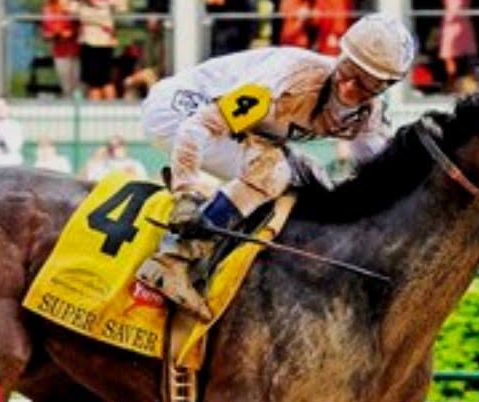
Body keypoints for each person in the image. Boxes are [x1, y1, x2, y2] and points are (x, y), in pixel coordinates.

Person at [136, 12, 415, 319]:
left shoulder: (368, 117)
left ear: (387, 85)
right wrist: (185, 193)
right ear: (340, 55)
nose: (350, 88)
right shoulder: (288, 80)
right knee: (274, 171)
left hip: (225, 126)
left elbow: (386, 178)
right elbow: (198, 127)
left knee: (315, 178)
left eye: (369, 84)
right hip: (177, 111)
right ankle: (173, 259)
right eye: (348, 70)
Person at [76, 0, 128, 100]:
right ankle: (98, 112)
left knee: (103, 81)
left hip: (103, 41)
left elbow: (122, 8)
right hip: (88, 41)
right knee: (94, 82)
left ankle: (108, 111)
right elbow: (69, 9)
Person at [43, 0, 82, 97]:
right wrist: (55, 33)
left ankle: (81, 108)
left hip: (78, 51)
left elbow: (82, 25)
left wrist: (71, 32)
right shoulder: (49, 9)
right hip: (60, 52)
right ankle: (68, 108)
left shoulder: (75, 6)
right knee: (66, 85)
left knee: (79, 84)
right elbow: (46, 33)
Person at [438, 0, 477, 87]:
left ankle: (469, 83)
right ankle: (452, 82)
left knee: (467, 55)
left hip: (462, 22)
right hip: (450, 22)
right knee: (449, 55)